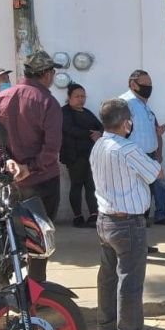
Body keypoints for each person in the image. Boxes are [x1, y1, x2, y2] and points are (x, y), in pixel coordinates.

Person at [90, 98, 165, 330]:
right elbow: (157, 173)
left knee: (108, 277)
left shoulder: (98, 145)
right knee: (130, 281)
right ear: (126, 123)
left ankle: (106, 325)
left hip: (105, 220)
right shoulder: (127, 148)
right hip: (127, 222)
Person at [0, 50, 63, 282]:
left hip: (11, 183)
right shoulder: (48, 102)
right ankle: (34, 297)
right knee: (39, 244)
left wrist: (7, 161)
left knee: (12, 237)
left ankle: (5, 289)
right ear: (47, 74)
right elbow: (51, 149)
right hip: (42, 182)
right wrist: (30, 167)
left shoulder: (2, 98)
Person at [120, 70, 165, 230]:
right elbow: (120, 131)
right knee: (137, 195)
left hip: (149, 155)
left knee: (150, 191)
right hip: (135, 157)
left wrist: (157, 135)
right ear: (133, 84)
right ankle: (138, 230)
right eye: (145, 85)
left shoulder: (144, 105)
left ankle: (150, 222)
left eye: (150, 85)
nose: (149, 88)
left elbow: (145, 129)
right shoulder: (125, 103)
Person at [60, 83, 103, 227]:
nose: (81, 99)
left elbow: (100, 126)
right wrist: (90, 133)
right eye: (77, 96)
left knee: (91, 185)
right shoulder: (64, 112)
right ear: (69, 97)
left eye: (83, 96)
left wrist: (100, 133)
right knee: (76, 185)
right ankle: (77, 216)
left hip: (90, 155)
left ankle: (93, 215)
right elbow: (69, 129)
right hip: (74, 155)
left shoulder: (87, 112)